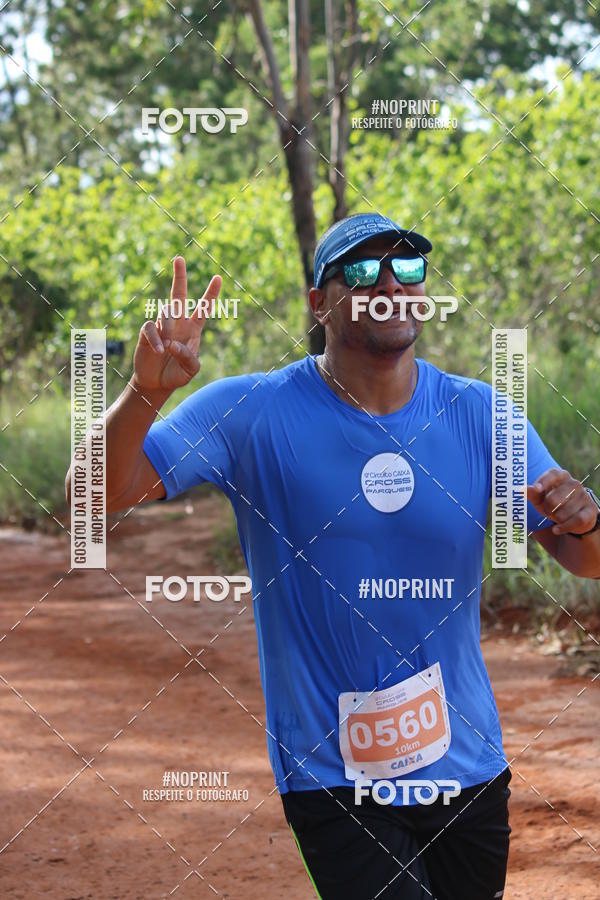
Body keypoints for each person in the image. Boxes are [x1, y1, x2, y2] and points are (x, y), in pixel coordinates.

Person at [65, 212, 600, 899]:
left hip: (468, 766)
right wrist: (147, 394)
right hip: (334, 776)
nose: (389, 285)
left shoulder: (482, 416)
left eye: (407, 268)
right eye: (362, 271)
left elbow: (586, 560)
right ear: (320, 303)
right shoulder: (251, 413)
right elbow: (91, 495)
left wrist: (585, 521)